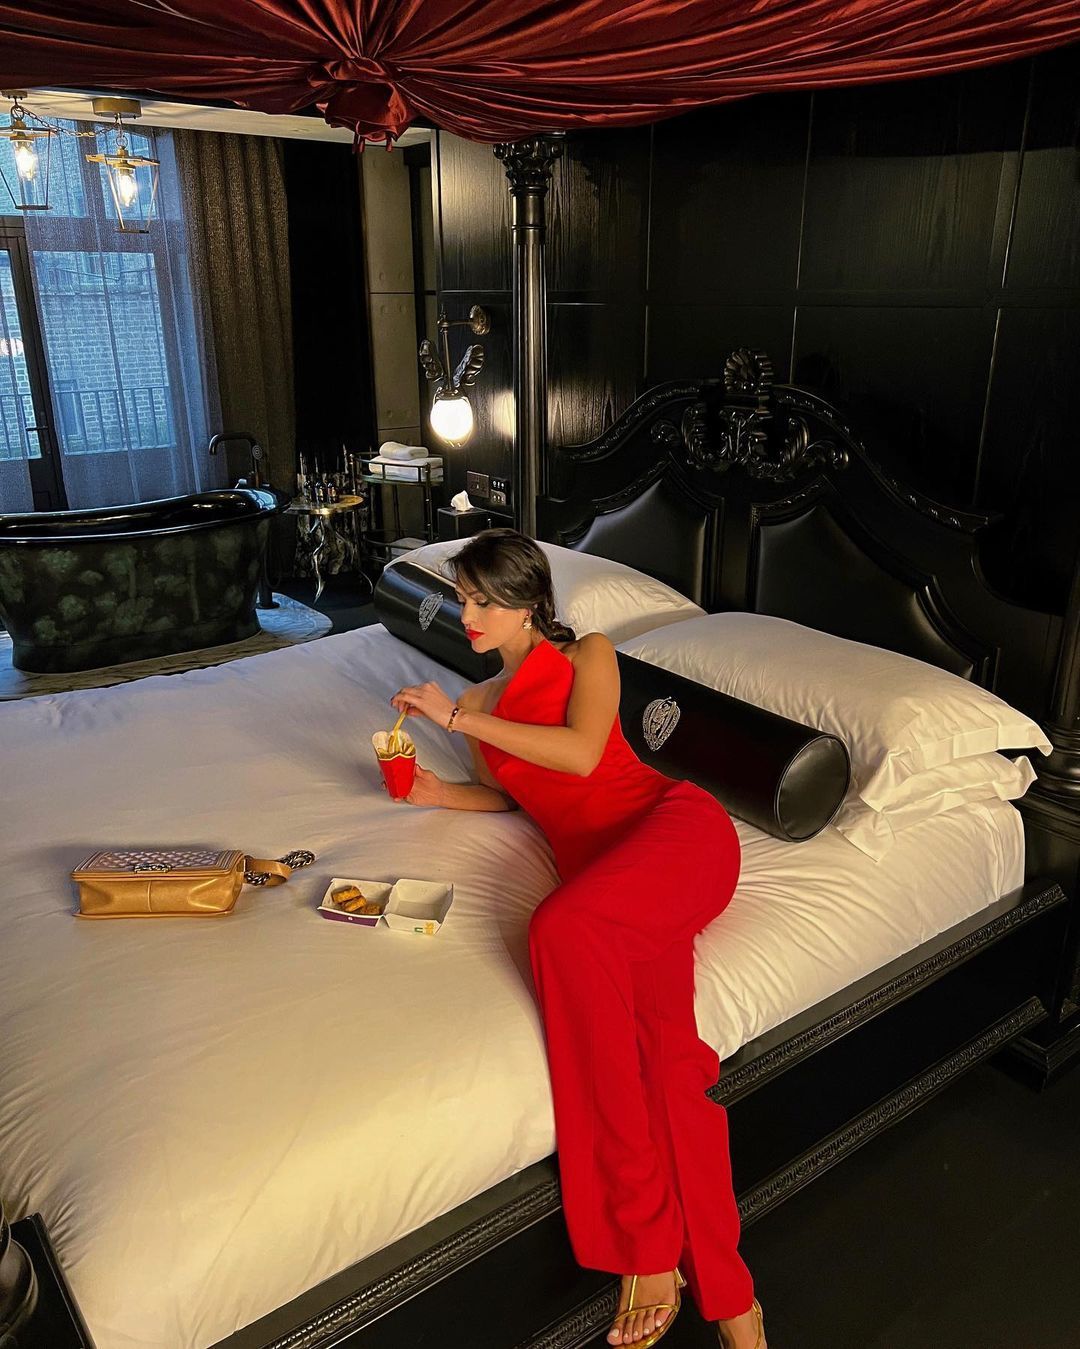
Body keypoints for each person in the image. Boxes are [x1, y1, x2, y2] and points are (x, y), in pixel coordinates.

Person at [390, 528, 765, 1349]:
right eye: (463, 597)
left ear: (529, 603)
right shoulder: (482, 704)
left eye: (485, 599)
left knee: (559, 929)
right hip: (609, 884)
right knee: (668, 1064)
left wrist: (458, 716)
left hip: (674, 834)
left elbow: (583, 753)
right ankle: (737, 1303)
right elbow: (517, 795)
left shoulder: (588, 654)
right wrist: (434, 791)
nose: (468, 614)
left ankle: (644, 1245)